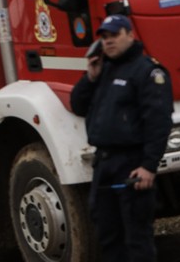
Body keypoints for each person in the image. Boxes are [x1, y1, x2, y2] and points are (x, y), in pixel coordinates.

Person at [70, 14, 172, 262]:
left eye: (114, 35)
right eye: (104, 37)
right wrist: (90, 77)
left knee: (136, 239)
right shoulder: (102, 71)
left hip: (132, 166)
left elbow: (158, 123)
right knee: (108, 237)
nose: (109, 42)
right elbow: (78, 105)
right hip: (104, 165)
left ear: (130, 35)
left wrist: (149, 166)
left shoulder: (147, 72)